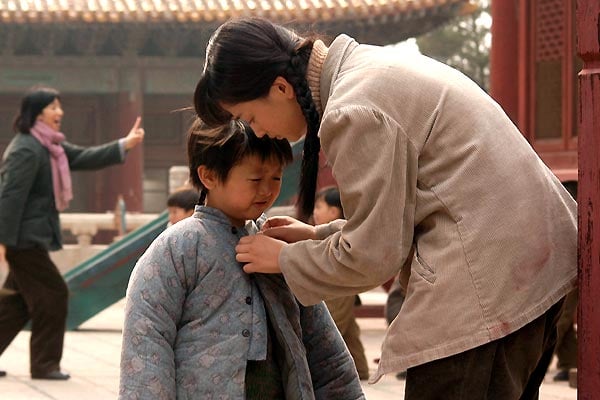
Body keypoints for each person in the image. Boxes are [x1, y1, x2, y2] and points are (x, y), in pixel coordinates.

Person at [193, 18, 577, 399]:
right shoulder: (367, 71)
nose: (258, 133)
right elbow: (407, 211)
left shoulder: (353, 108)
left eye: (250, 118)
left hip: (486, 281)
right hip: (527, 262)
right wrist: (317, 237)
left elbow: (373, 256)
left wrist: (287, 260)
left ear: (280, 88)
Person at [119, 119, 365, 399]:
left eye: (276, 177)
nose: (268, 190)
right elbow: (147, 342)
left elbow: (323, 346)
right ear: (209, 176)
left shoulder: (277, 244)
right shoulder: (178, 248)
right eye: (256, 179)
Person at [0, 85, 145, 380]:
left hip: (30, 238)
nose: (60, 112)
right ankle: (44, 365)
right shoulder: (26, 149)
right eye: (53, 107)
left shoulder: (49, 147)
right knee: (53, 295)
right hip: (23, 240)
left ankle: (44, 363)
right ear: (36, 112)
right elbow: (10, 196)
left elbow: (84, 157)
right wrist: (3, 240)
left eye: (59, 106)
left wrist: (125, 144)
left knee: (17, 300)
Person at [313, 186, 370, 380]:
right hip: (342, 285)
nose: (315, 211)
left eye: (319, 206)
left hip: (339, 286)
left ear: (334, 211)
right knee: (350, 330)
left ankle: (322, 368)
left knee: (334, 324)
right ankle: (360, 368)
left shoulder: (338, 232)